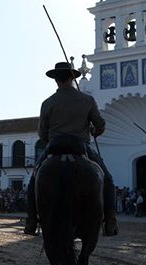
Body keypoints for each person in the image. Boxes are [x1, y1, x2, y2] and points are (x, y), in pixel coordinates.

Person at [24, 62, 119, 237]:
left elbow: (42, 133)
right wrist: (94, 132)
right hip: (80, 147)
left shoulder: (47, 103)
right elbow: (100, 125)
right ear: (72, 77)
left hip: (55, 147)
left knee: (33, 181)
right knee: (108, 180)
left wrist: (50, 140)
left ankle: (31, 220)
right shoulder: (86, 100)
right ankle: (111, 221)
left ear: (56, 80)